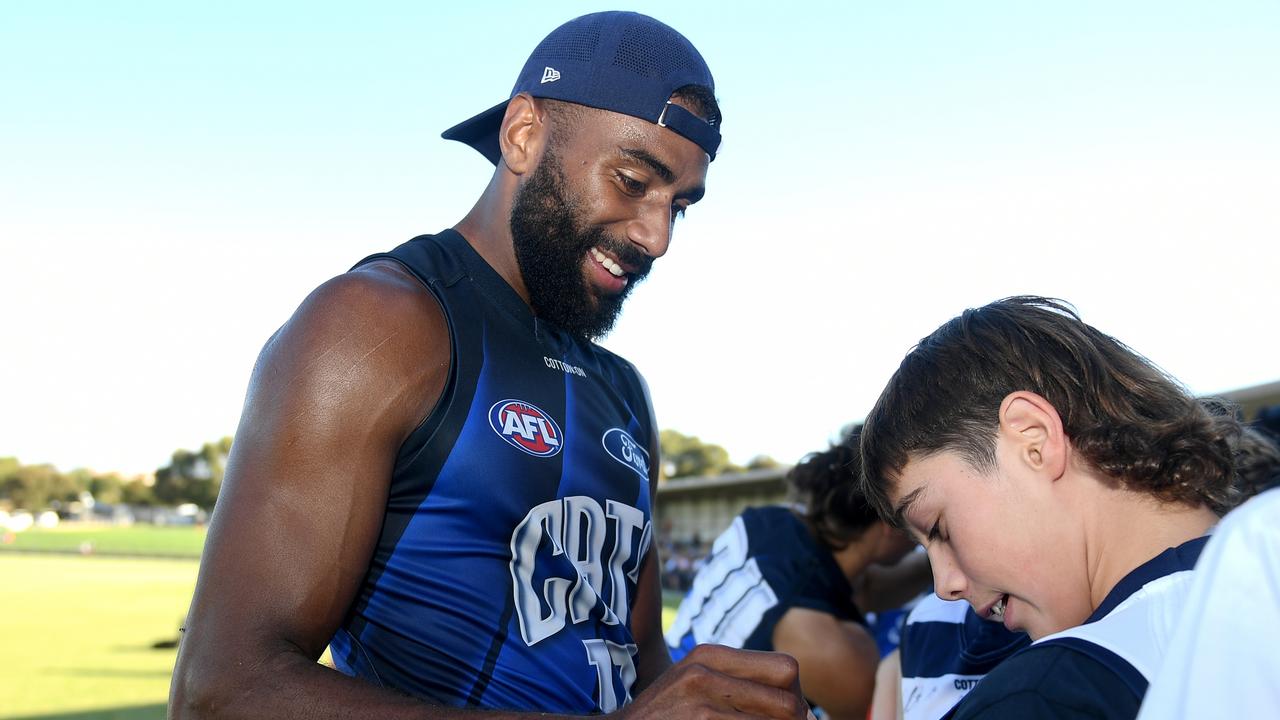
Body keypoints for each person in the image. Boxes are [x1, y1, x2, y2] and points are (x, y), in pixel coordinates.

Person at [169, 12, 810, 719]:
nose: (657, 238)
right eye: (632, 181)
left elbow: (632, 665)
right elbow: (223, 689)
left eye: (679, 208)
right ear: (524, 135)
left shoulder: (624, 393)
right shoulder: (375, 326)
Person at [858, 296, 1238, 720]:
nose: (945, 585)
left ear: (1033, 441)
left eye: (938, 527)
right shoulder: (1250, 591)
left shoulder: (1049, 695)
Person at [665, 433, 920, 720]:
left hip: (664, 683)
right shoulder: (824, 640)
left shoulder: (772, 521)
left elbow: (864, 588)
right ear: (889, 521)